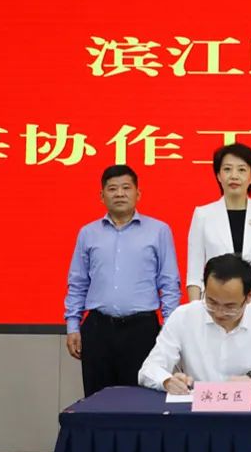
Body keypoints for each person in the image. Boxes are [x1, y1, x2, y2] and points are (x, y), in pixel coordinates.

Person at [64, 164, 181, 397]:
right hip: (98, 329)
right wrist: (73, 326)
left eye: (126, 188)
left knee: (141, 400)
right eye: (112, 189)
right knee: (97, 401)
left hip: (142, 330)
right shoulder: (88, 233)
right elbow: (77, 283)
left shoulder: (158, 231)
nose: (119, 194)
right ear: (102, 196)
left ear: (138, 194)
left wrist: (170, 331)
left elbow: (169, 284)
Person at [139, 254, 251, 393]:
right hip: (196, 410)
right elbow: (148, 369)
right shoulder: (183, 317)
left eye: (230, 307)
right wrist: (167, 381)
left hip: (248, 412)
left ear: (249, 296)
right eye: (212, 302)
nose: (219, 313)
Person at [186, 143, 251, 310]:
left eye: (241, 170)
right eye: (227, 169)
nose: (234, 176)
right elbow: (194, 273)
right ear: (218, 175)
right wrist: (194, 311)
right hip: (215, 305)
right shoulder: (203, 214)